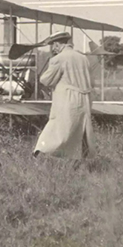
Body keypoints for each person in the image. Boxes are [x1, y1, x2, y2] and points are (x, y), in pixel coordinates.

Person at [33, 31, 95, 159]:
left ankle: (43, 153)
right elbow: (91, 81)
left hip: (67, 98)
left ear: (57, 44)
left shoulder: (58, 59)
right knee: (81, 129)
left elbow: (46, 80)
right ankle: (81, 158)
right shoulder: (83, 58)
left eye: (53, 45)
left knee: (58, 127)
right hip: (85, 99)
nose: (53, 48)